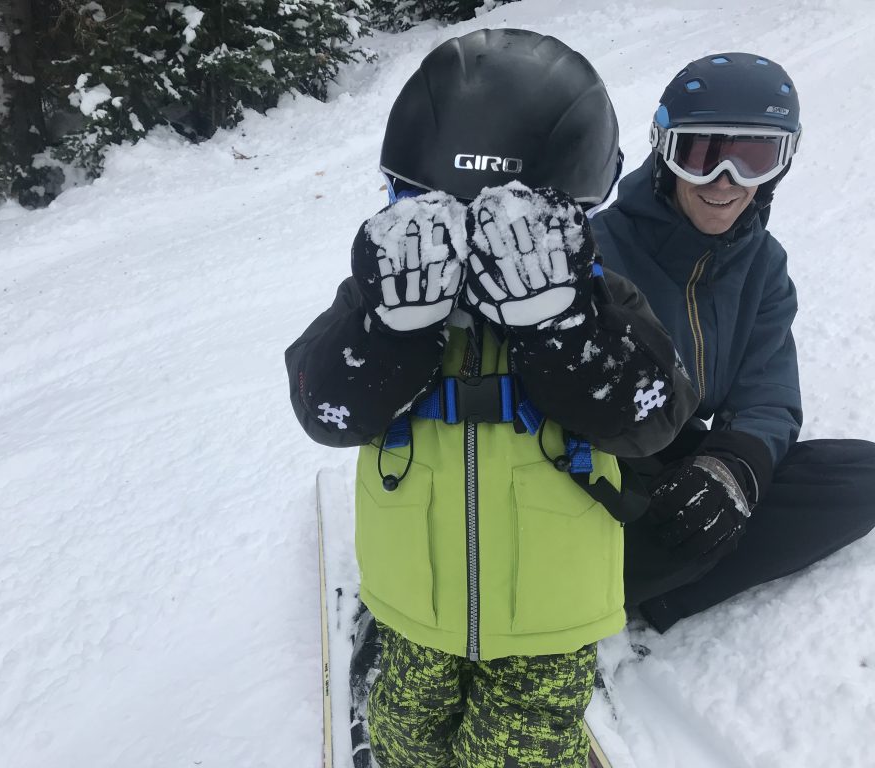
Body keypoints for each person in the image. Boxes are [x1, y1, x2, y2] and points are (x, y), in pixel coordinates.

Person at [285, 29, 697, 768]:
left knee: (510, 757)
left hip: (550, 621)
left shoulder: (600, 302)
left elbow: (654, 418)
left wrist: (563, 329)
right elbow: (325, 408)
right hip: (412, 606)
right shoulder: (382, 301)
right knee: (408, 738)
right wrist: (390, 331)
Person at [590, 52, 875, 634]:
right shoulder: (596, 250)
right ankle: (578, 583)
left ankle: (648, 580)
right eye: (702, 157)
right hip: (602, 462)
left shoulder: (763, 265)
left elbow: (767, 388)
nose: (727, 184)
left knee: (858, 478)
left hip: (682, 455)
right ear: (665, 154)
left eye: (754, 159)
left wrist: (732, 468)